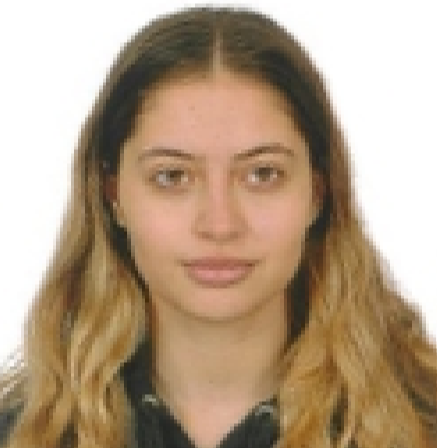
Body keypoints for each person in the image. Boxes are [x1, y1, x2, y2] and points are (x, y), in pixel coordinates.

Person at [0, 6, 436, 448]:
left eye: (262, 174)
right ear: (112, 195)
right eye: (172, 176)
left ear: (318, 192)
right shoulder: (22, 433)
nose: (220, 225)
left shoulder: (425, 422)